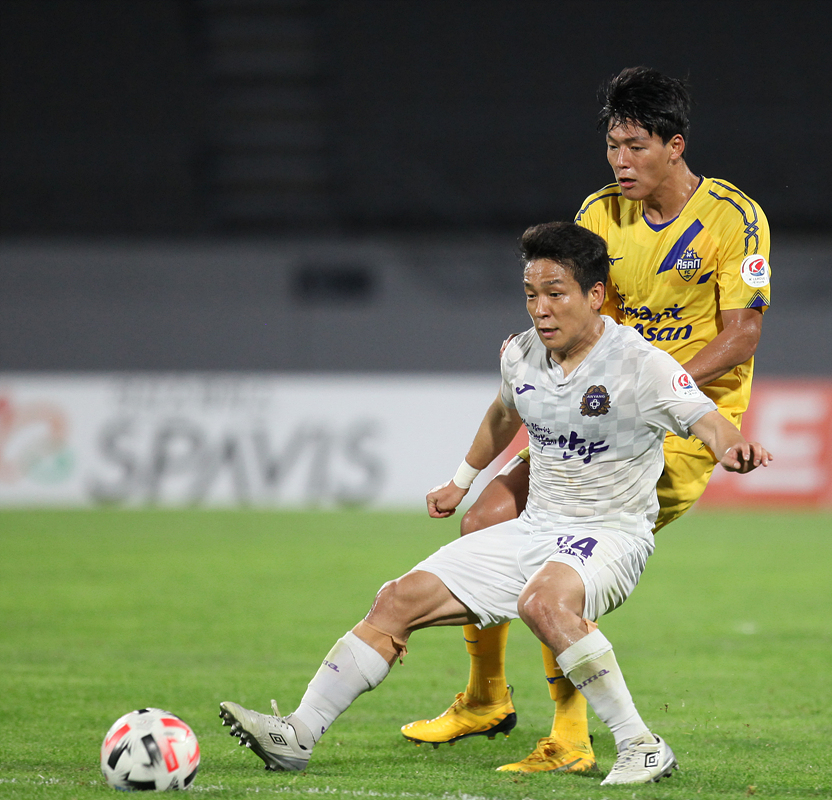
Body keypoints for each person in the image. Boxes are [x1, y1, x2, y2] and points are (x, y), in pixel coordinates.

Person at [218, 222, 771, 786]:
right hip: (534, 529)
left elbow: (706, 419)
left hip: (610, 534)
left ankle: (641, 746)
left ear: (595, 295)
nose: (541, 309)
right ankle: (298, 733)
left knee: (543, 604)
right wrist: (462, 480)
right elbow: (504, 414)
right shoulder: (522, 354)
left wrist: (732, 449)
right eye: (531, 295)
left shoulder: (641, 363)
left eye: (555, 293)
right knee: (397, 599)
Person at [400, 66, 771, 774]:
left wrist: (658, 388)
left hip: (680, 426)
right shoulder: (598, 213)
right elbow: (582, 319)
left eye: (635, 147)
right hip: (595, 417)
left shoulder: (734, 217)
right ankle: (485, 698)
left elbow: (743, 334)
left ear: (675, 145)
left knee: (567, 557)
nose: (619, 161)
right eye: (612, 146)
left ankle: (571, 735)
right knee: (483, 521)